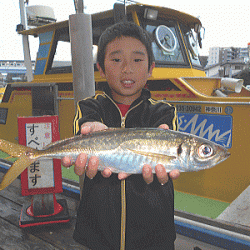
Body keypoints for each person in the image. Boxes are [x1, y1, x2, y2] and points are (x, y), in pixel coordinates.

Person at [62, 22, 180, 250]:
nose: (127, 68)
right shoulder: (89, 106)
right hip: (99, 233)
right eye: (116, 60)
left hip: (154, 235)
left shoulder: (163, 111)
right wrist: (91, 129)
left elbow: (166, 136)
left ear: (150, 68)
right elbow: (85, 125)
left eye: (137, 60)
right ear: (101, 68)